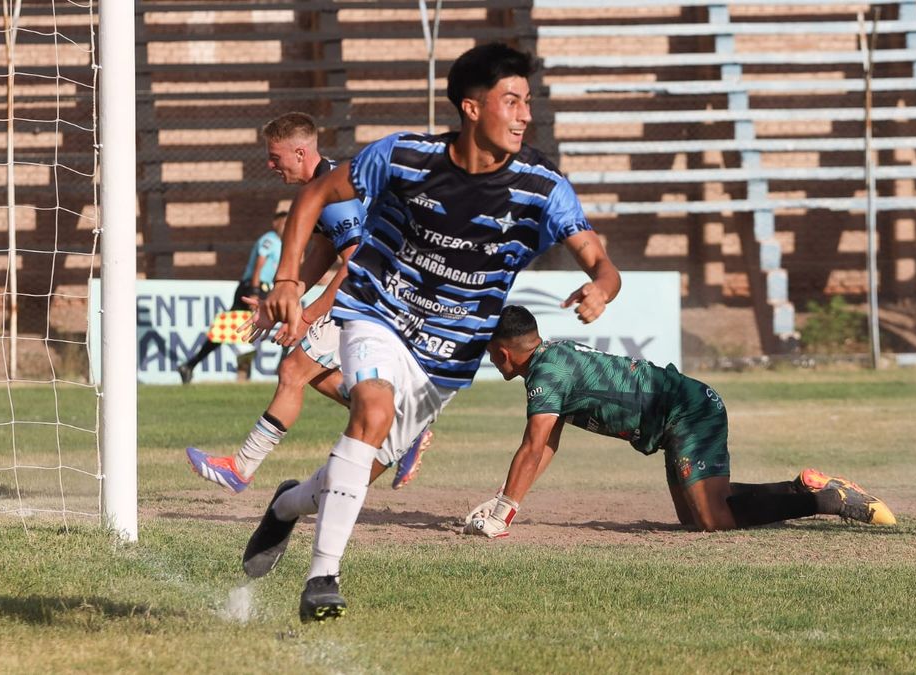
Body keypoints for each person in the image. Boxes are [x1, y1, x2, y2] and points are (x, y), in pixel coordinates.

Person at [246, 43, 623, 622]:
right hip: (378, 311)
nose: (525, 115)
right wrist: (289, 278)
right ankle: (323, 575)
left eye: (528, 103)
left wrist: (601, 285)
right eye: (512, 101)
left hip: (448, 352)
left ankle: (288, 505)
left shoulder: (543, 186)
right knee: (370, 407)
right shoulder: (404, 156)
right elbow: (316, 193)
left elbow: (600, 260)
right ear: (472, 108)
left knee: (356, 469)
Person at [462, 304, 897, 539]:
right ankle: (806, 486)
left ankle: (825, 500)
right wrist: (505, 495)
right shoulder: (550, 361)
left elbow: (534, 446)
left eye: (490, 354)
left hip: (687, 411)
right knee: (697, 517)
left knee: (712, 520)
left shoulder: (547, 373)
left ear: (502, 352)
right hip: (675, 417)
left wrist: (504, 511)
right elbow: (547, 444)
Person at [185, 112, 434, 496]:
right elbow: (320, 254)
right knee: (310, 374)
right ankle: (403, 425)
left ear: (300, 152)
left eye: (275, 157)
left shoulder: (334, 198)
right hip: (376, 290)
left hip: (371, 292)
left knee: (292, 372)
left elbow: (355, 265)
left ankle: (241, 468)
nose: (270, 165)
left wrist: (308, 315)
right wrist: (281, 302)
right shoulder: (323, 187)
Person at [177, 211, 285, 384]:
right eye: (283, 223)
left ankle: (190, 365)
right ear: (275, 223)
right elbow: (259, 264)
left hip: (264, 288)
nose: (286, 227)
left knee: (229, 329)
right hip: (253, 287)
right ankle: (280, 368)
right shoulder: (270, 240)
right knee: (281, 320)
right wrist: (255, 290)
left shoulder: (281, 244)